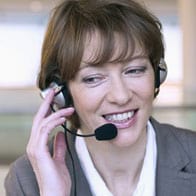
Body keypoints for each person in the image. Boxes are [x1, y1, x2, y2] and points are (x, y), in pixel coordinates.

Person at [4, 0, 196, 195]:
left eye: (134, 70)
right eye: (93, 78)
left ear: (157, 74)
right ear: (62, 93)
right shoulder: (27, 181)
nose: (121, 96)